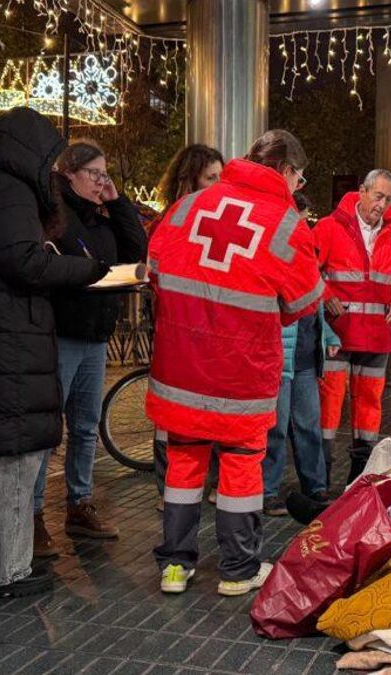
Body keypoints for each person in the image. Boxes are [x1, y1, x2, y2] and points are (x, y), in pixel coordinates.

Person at [0, 107, 110, 602]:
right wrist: (84, 270)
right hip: (7, 346)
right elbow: (23, 261)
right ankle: (2, 571)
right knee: (7, 462)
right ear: (32, 152)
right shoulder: (11, 192)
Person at [148, 129, 323, 597]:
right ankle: (238, 569)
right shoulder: (286, 223)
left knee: (182, 468)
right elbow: (305, 300)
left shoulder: (186, 208)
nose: (297, 187)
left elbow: (156, 272)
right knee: (241, 469)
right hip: (240, 373)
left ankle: (174, 568)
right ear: (285, 171)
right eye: (299, 178)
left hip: (180, 369)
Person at [30, 140, 148, 558]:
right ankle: (33, 515)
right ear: (69, 174)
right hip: (63, 333)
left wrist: (118, 204)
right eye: (95, 173)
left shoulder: (100, 220)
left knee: (85, 427)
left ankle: (79, 504)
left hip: (96, 336)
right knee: (48, 430)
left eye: (105, 174)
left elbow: (136, 252)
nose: (103, 181)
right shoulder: (55, 217)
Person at [315, 169, 391, 485]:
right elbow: (307, 267)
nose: (382, 205)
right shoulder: (329, 228)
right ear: (362, 191)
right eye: (378, 196)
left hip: (376, 335)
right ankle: (320, 479)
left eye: (388, 199)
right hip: (337, 333)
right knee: (327, 406)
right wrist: (327, 295)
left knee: (369, 408)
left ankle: (358, 478)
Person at [149, 143, 225, 510]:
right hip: (179, 333)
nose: (219, 186)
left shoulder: (220, 221)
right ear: (190, 180)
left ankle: (201, 484)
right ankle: (172, 491)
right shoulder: (175, 220)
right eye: (211, 178)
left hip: (211, 335)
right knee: (173, 416)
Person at [263, 192, 341, 516]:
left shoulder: (307, 254)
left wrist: (330, 335)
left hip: (307, 357)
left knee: (308, 425)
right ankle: (267, 492)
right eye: (301, 217)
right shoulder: (277, 253)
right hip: (282, 358)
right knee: (276, 428)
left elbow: (317, 303)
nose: (305, 225)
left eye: (306, 219)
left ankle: (316, 486)